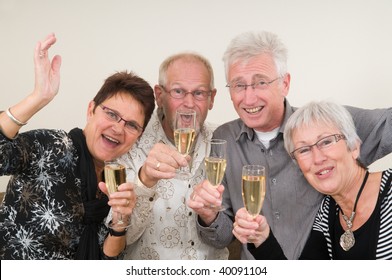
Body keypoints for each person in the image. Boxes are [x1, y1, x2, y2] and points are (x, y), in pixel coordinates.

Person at [188, 30, 392, 259]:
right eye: (238, 85)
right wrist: (209, 216)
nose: (249, 98)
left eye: (260, 82)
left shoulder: (327, 123)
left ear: (285, 83)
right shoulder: (224, 139)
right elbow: (223, 238)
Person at [0, 33, 155, 259]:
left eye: (131, 125)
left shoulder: (118, 179)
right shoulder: (52, 146)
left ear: (138, 137)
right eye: (111, 114)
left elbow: (107, 261)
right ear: (91, 110)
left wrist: (120, 222)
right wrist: (38, 97)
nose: (118, 128)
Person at [233, 100, 392, 259]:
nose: (317, 158)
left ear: (354, 147)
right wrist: (262, 239)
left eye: (326, 141)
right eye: (304, 150)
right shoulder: (327, 212)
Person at [119, 52, 229, 259]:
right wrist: (144, 183)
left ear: (211, 98)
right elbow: (122, 238)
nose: (189, 103)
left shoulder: (224, 142)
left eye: (199, 93)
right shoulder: (131, 144)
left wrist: (211, 219)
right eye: (178, 91)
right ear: (159, 95)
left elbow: (228, 234)